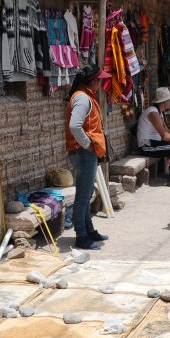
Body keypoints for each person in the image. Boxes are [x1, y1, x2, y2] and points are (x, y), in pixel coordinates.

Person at [65, 64, 112, 251]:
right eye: (99, 79)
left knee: (85, 194)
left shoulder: (83, 96)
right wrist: (88, 145)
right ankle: (81, 236)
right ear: (93, 80)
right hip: (84, 153)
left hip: (85, 152)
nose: (100, 83)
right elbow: (74, 126)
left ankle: (89, 231)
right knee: (83, 197)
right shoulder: (83, 98)